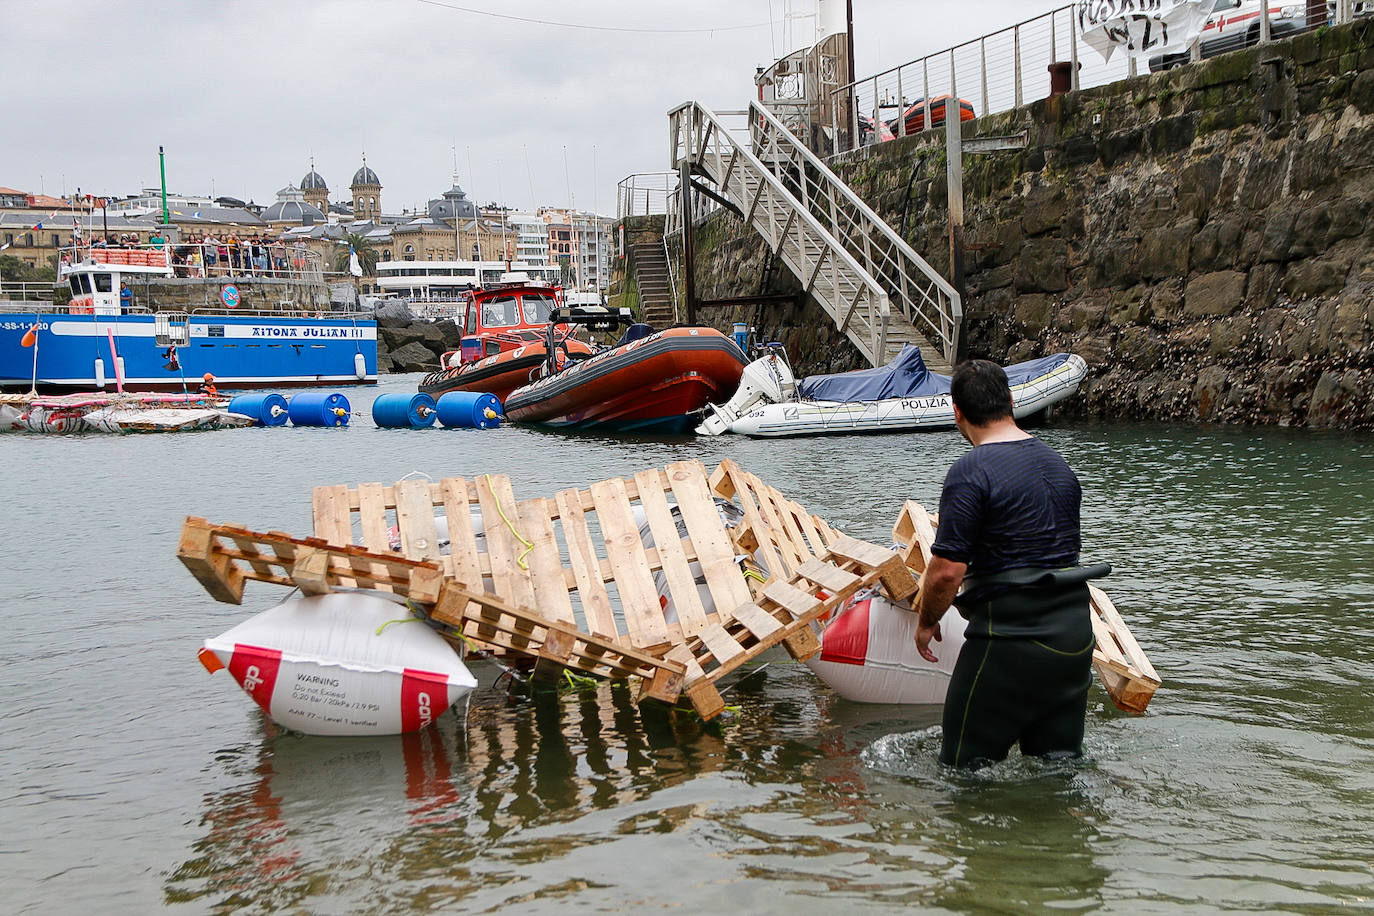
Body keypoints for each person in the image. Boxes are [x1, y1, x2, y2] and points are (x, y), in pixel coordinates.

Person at [915, 359, 1106, 769]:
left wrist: (927, 621)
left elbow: (948, 571)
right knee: (1059, 768)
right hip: (1073, 640)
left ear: (958, 412)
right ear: (1012, 401)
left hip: (1008, 642)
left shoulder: (971, 472)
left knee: (962, 772)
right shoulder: (1059, 466)